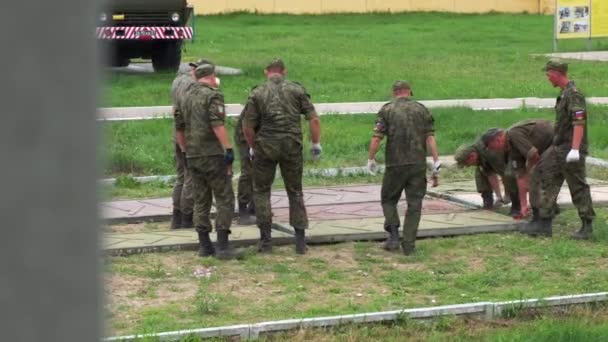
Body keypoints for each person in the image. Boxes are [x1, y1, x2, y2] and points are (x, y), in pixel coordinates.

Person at [242, 58, 322, 255]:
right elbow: (313, 119)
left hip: (265, 147)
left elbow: (247, 127)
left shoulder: (257, 93)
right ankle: (300, 242)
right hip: (291, 146)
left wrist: (253, 147)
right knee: (295, 192)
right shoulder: (297, 90)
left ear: (265, 72)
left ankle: (266, 241)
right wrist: (315, 143)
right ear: (284, 71)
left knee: (261, 191)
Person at [367, 81, 441, 255]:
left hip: (395, 164)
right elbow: (430, 138)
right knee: (414, 205)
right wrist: (436, 161)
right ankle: (409, 246)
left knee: (388, 199)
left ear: (394, 93)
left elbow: (377, 137)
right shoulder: (422, 110)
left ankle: (393, 236)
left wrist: (370, 158)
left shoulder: (387, 110)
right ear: (409, 92)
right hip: (417, 164)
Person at [178, 63, 242, 259]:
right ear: (211, 76)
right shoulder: (213, 95)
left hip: (192, 155)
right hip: (212, 154)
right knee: (224, 198)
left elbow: (179, 128)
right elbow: (217, 125)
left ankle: (204, 246)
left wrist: (184, 151)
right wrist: (228, 149)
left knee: (201, 200)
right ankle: (223, 246)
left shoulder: (184, 96)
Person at [531, 61, 595, 238]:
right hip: (558, 148)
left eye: (548, 74)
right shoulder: (563, 94)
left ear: (557, 73)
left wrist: (575, 149)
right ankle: (544, 223)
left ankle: (587, 225)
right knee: (546, 177)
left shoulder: (574, 95)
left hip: (570, 149)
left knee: (577, 186)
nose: (547, 77)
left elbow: (579, 123)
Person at [481, 119, 554, 227]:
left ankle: (544, 217)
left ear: (498, 140)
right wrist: (523, 205)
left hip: (557, 140)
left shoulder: (513, 134)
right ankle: (540, 212)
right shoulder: (511, 148)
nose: (493, 150)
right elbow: (521, 176)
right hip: (546, 148)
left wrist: (530, 172)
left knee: (540, 177)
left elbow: (534, 156)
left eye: (492, 147)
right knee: (533, 179)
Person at [170, 58, 211, 229]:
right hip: (191, 134)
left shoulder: (177, 80)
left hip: (178, 132)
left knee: (181, 177)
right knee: (191, 178)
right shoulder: (194, 86)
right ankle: (187, 218)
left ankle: (176, 217)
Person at [453, 136, 521, 217]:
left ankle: (516, 206)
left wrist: (507, 195)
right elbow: (490, 174)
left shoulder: (492, 153)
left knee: (510, 176)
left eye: (467, 163)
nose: (468, 166)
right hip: (499, 163)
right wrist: (499, 197)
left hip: (516, 157)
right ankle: (488, 201)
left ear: (472, 156)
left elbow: (505, 175)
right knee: (480, 173)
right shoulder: (479, 154)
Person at [234, 103, 256, 225]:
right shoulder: (258, 99)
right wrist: (252, 147)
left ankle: (255, 206)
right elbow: (246, 127)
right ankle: (243, 211)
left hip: (258, 134)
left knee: (261, 171)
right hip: (245, 135)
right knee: (248, 172)